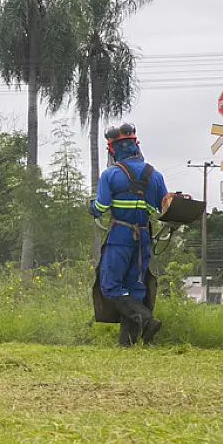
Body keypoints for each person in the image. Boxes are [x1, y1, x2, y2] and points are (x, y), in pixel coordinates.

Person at [90, 123, 168, 346]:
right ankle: (127, 343)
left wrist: (92, 208)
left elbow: (101, 206)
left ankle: (146, 319)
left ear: (113, 149)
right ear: (136, 146)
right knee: (136, 287)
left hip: (120, 237)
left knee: (110, 286)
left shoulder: (111, 174)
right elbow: (162, 208)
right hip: (143, 238)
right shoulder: (155, 176)